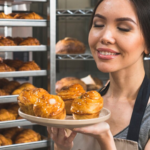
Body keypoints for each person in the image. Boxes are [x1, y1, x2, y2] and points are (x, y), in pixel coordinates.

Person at [47, 0, 150, 149]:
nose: (105, 37)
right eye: (98, 25)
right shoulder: (79, 107)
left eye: (123, 28)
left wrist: (105, 139)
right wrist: (63, 147)